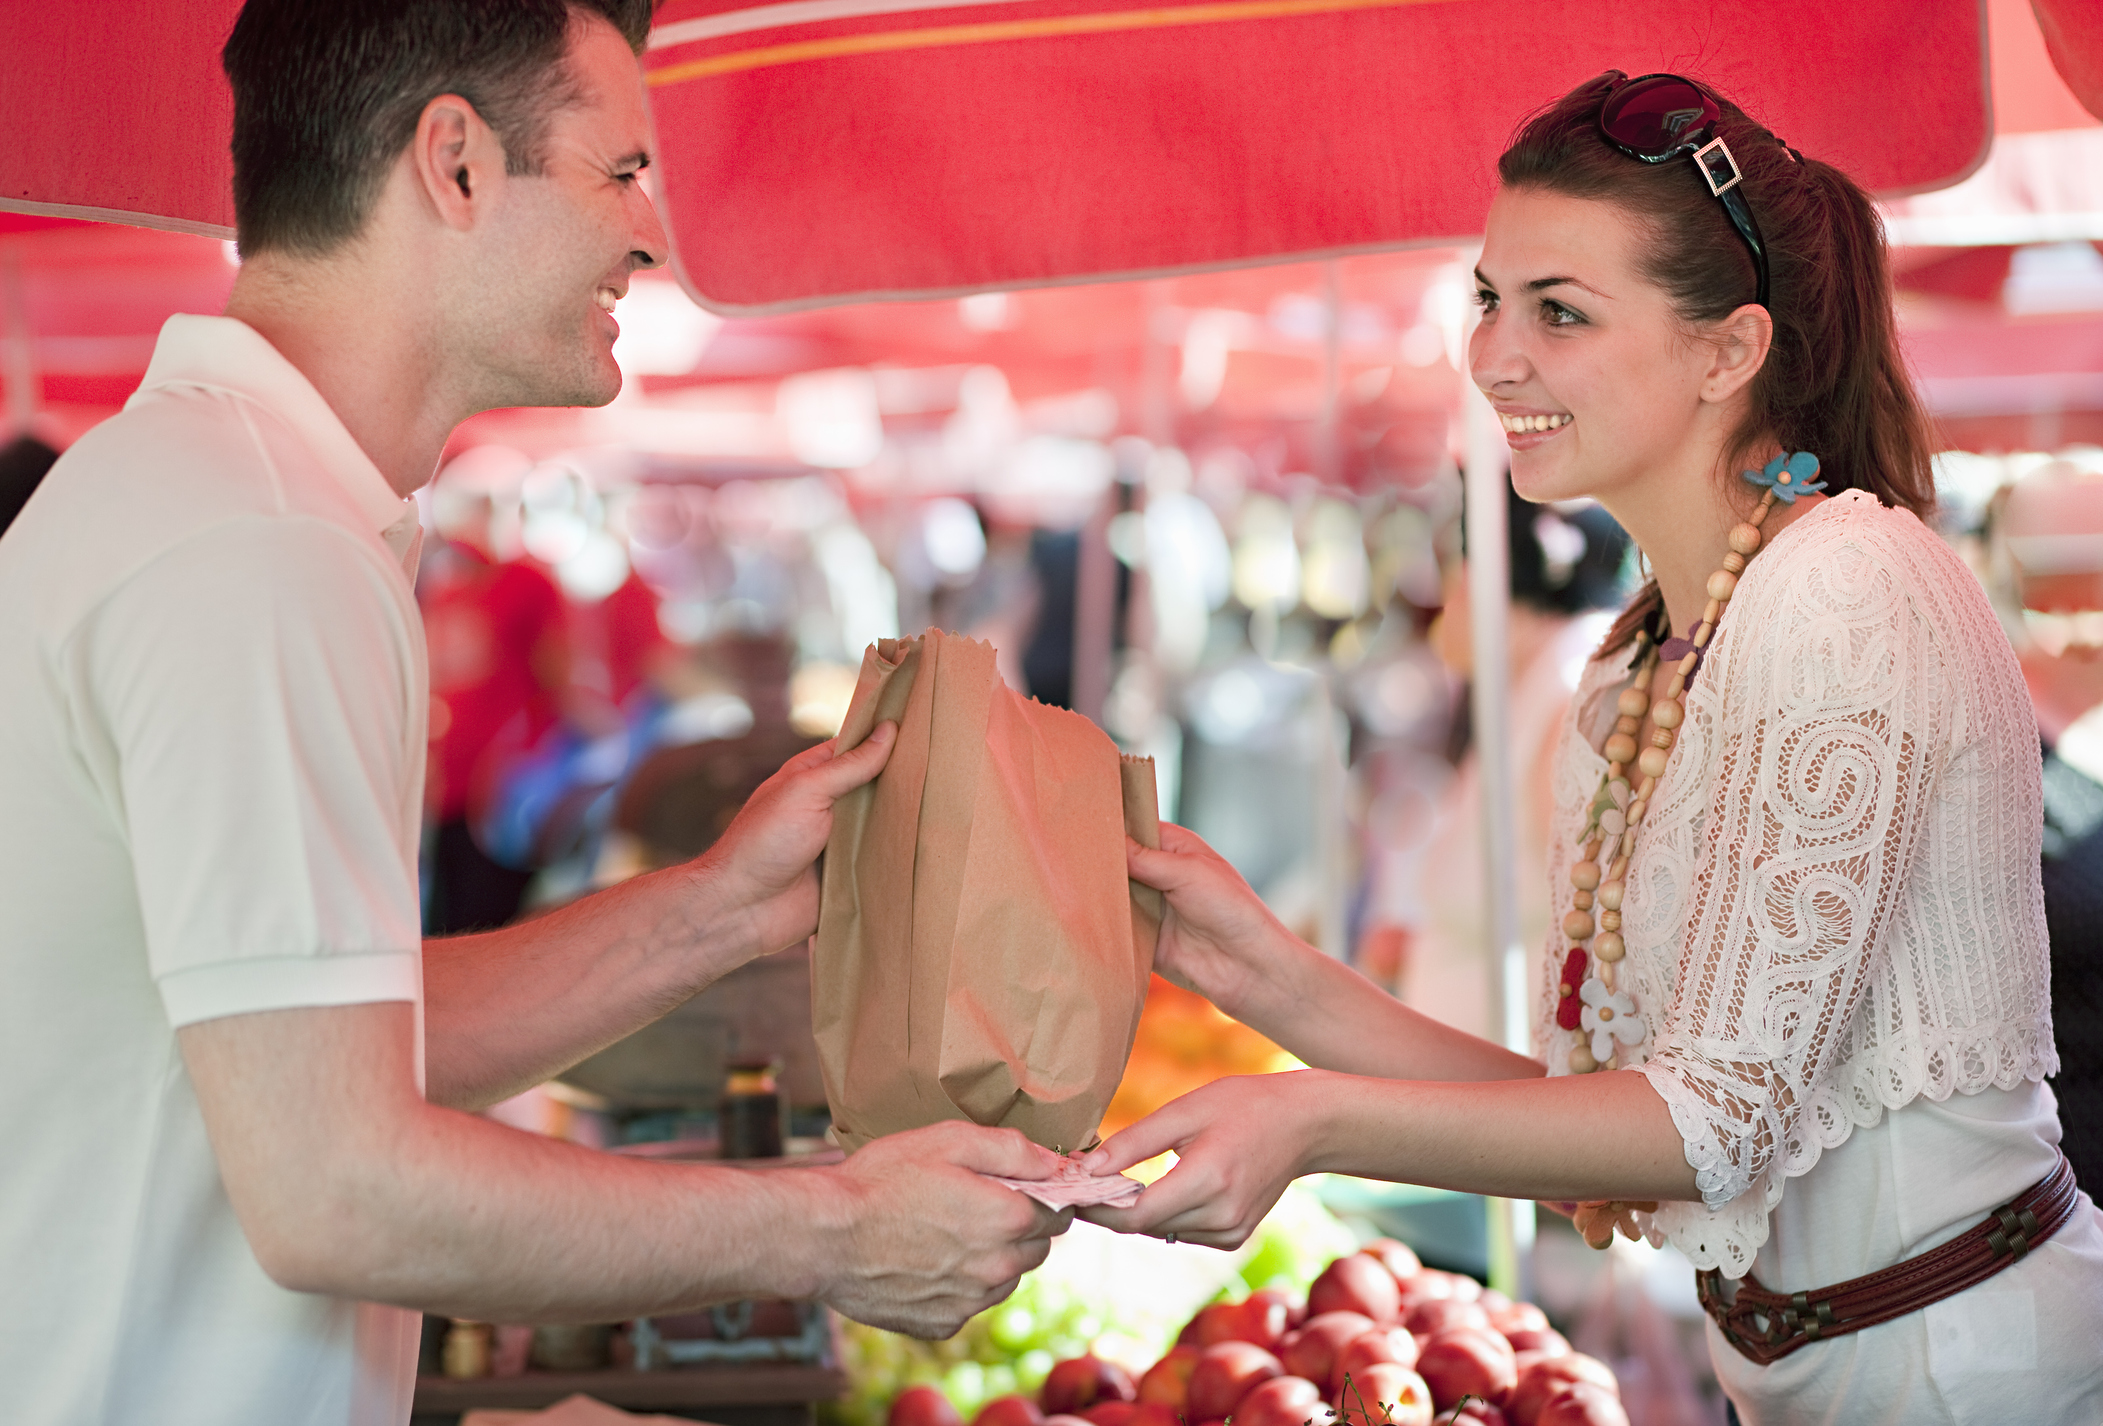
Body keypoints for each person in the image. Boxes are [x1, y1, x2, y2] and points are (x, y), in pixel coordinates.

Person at [0, 5, 1066, 1424]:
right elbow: (335, 1185)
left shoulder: (233, 498)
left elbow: (318, 1040)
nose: (652, 236)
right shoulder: (255, 542)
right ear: (452, 162)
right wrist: (838, 1227)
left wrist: (724, 907)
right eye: (618, 170)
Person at [1079, 72, 2103, 1424]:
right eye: (1489, 299)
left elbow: (1704, 1126)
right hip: (1821, 1370)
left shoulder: (1849, 580)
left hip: (1970, 1374)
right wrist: (1252, 967)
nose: (1492, 355)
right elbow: (1598, 1124)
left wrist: (1313, 1116)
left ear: (1730, 352)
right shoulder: (1643, 656)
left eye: (1559, 310)